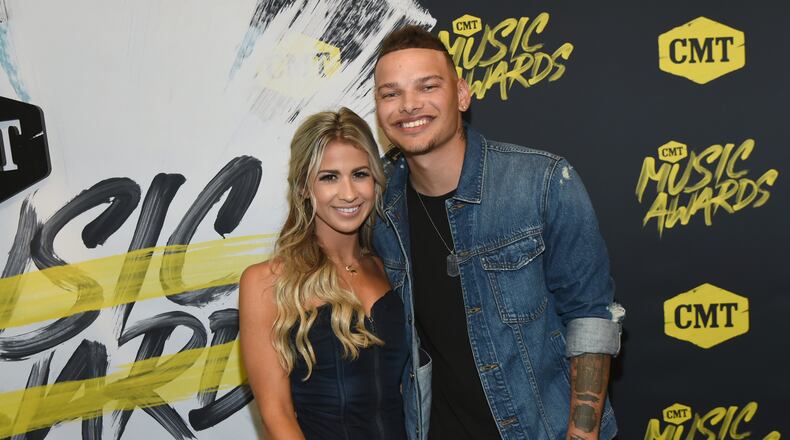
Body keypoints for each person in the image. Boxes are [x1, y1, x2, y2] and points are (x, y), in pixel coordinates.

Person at [371, 26, 625, 440]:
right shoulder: (377, 202)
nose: (409, 105)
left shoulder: (541, 182)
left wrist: (582, 434)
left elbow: (590, 316)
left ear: (462, 94)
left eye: (427, 86)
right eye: (390, 93)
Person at [239, 107, 408, 440]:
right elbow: (277, 417)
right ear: (303, 187)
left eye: (360, 174)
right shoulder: (266, 283)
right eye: (329, 177)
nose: (349, 193)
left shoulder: (391, 268)